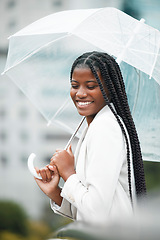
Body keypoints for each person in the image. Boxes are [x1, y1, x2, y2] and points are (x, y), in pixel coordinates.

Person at [35, 51, 146, 224]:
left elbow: (96, 211)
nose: (80, 93)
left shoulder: (105, 127)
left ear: (109, 89)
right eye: (74, 85)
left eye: (91, 86)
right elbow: (88, 209)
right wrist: (55, 192)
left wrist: (68, 172)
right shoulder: (95, 125)